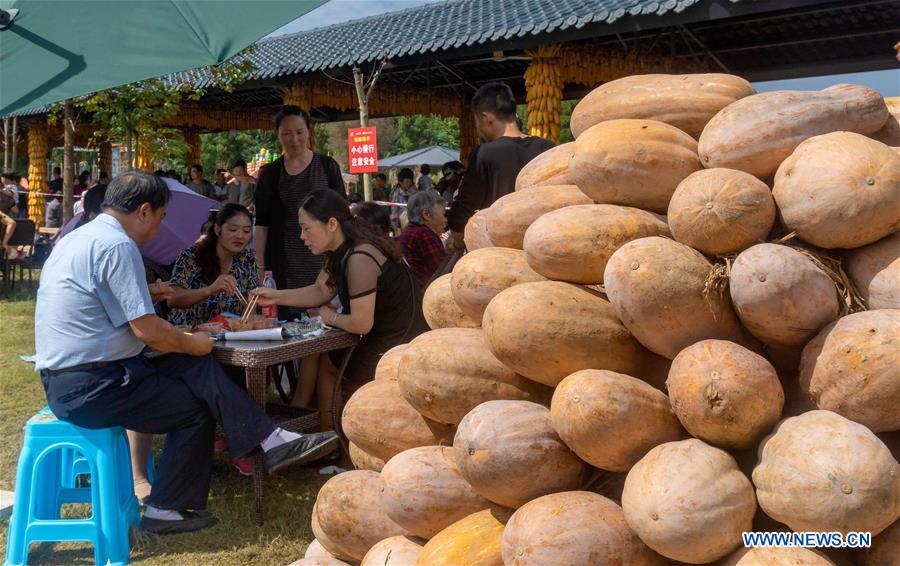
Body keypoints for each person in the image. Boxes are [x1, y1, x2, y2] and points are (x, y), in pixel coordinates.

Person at [35, 171, 339, 534]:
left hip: (77, 377)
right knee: (196, 406)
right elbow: (147, 330)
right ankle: (167, 507)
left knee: (194, 365)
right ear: (144, 211)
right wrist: (193, 341)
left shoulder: (79, 238)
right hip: (94, 385)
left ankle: (269, 440)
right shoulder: (118, 246)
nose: (160, 228)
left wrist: (151, 295)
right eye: (162, 218)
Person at [251, 190, 427, 430]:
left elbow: (361, 323)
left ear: (332, 224)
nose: (302, 236)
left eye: (306, 228)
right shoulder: (343, 250)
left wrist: (329, 316)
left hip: (397, 347)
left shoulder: (360, 257)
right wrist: (274, 296)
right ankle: (328, 436)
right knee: (326, 360)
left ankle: (331, 437)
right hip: (392, 339)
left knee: (329, 365)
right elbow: (320, 291)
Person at [253, 105, 346, 318]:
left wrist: (342, 257)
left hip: (324, 259)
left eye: (299, 132)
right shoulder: (269, 173)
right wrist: (259, 267)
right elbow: (262, 224)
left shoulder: (327, 166)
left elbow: (342, 217)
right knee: (288, 318)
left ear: (308, 131)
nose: (293, 139)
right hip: (284, 260)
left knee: (325, 318)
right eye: (286, 133)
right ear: (278, 134)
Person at [447, 82, 555, 248]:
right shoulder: (548, 148)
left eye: (477, 121)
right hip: (546, 246)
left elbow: (462, 211)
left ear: (487, 118)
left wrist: (456, 243)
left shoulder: (484, 153)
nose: (478, 128)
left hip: (502, 253)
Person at [167, 203, 258, 329]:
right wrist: (210, 290)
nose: (240, 236)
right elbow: (172, 299)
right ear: (217, 229)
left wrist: (244, 328)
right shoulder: (191, 256)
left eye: (246, 231)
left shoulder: (248, 258)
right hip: (190, 335)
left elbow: (250, 302)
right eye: (233, 229)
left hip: (231, 335)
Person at [398, 191, 447, 287]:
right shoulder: (424, 234)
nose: (445, 220)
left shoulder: (410, 230)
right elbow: (444, 272)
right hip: (423, 292)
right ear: (426, 214)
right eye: (443, 214)